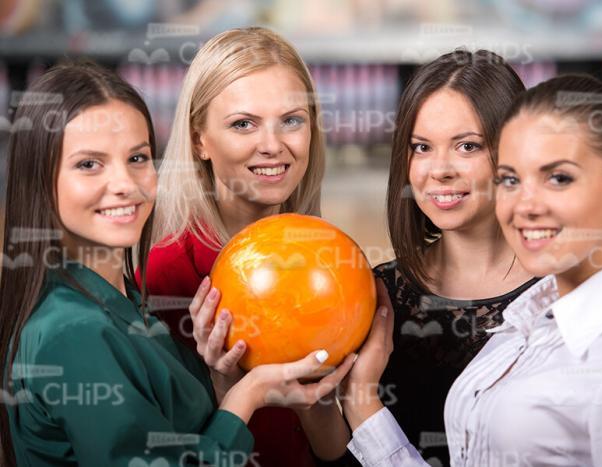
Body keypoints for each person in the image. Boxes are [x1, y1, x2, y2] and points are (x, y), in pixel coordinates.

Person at [0, 61, 353, 467]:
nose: (125, 184)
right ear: (39, 178)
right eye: (88, 164)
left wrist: (226, 378)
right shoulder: (75, 332)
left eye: (137, 158)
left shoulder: (118, 300)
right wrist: (247, 394)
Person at [341, 74, 602, 466]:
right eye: (511, 179)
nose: (525, 205)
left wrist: (364, 410)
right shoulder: (524, 322)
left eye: (559, 178)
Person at [137, 27, 357, 465]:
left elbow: (332, 449)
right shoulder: (165, 278)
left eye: (292, 120)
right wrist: (227, 383)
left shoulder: (328, 262)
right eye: (243, 124)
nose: (273, 146)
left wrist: (313, 396)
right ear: (199, 139)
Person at [370, 49, 536, 466]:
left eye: (467, 146)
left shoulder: (560, 298)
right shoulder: (380, 292)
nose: (439, 170)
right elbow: (336, 452)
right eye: (421, 147)